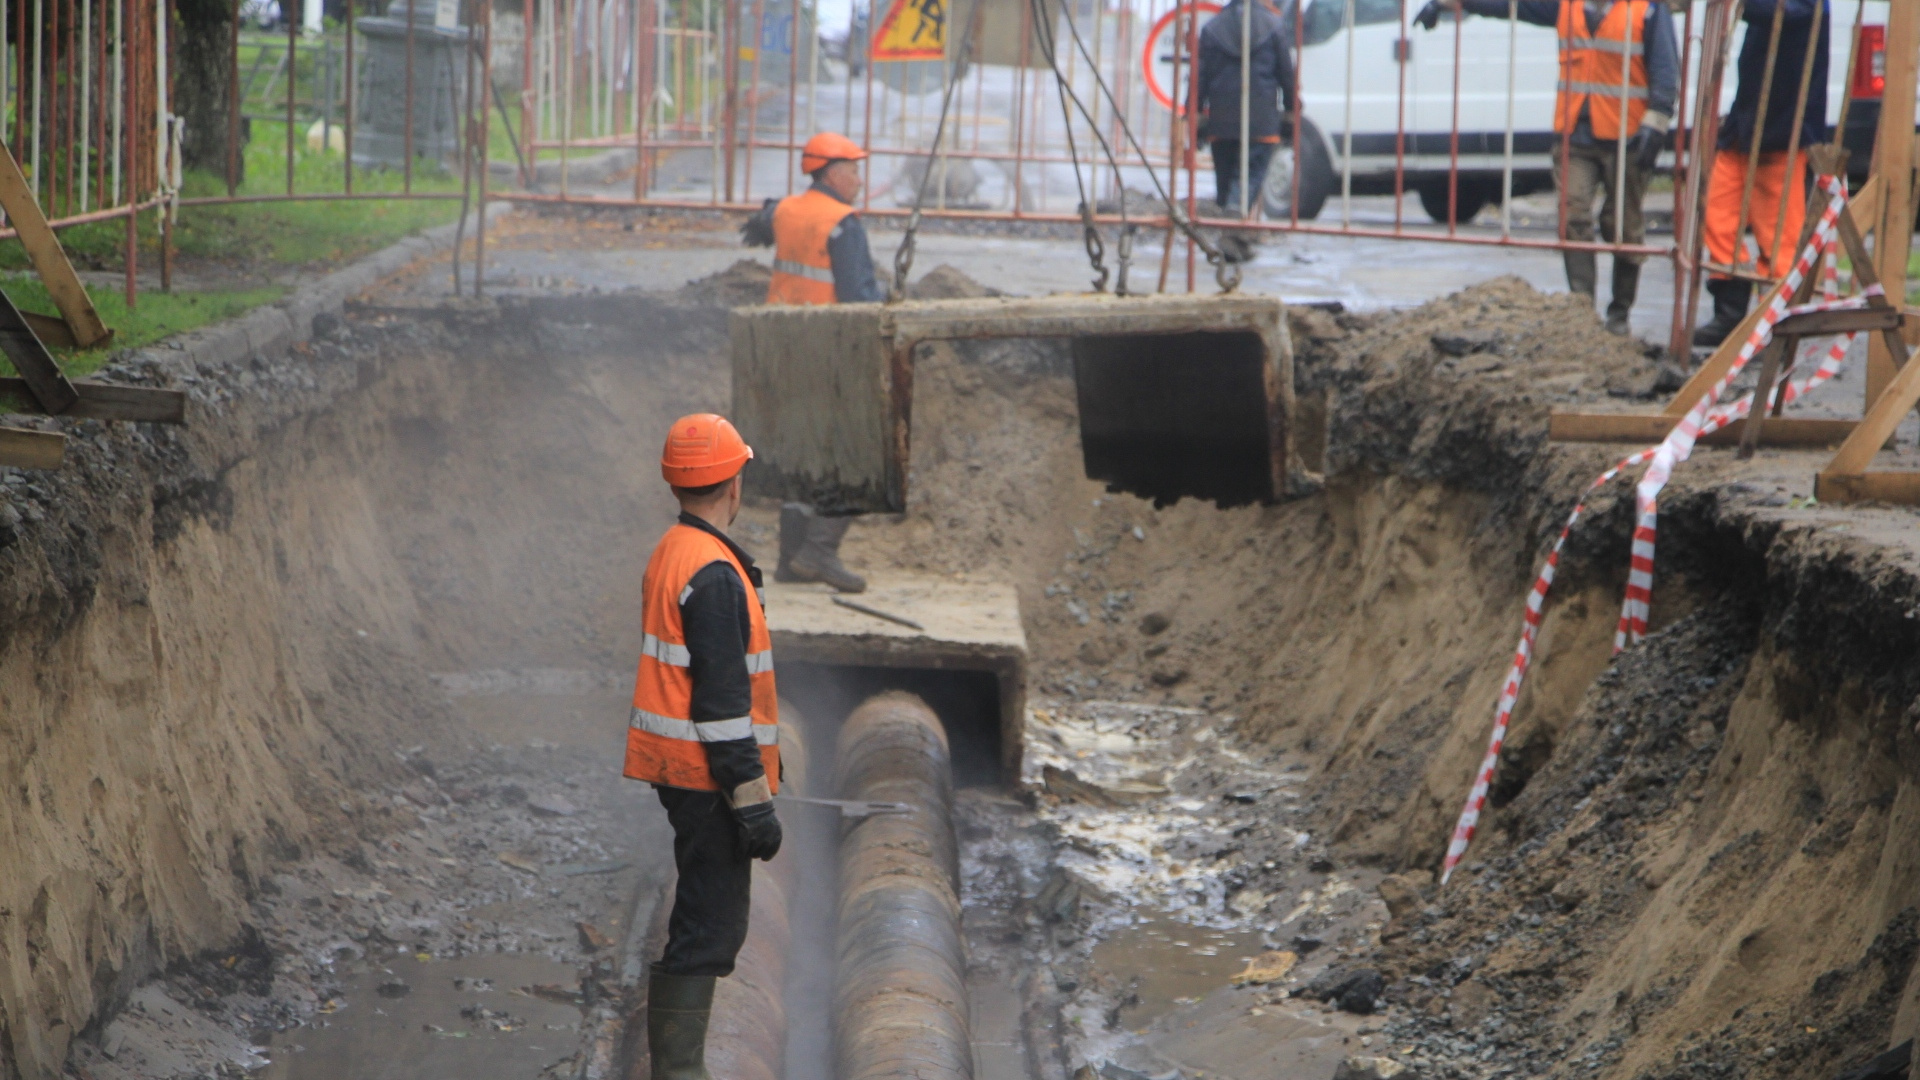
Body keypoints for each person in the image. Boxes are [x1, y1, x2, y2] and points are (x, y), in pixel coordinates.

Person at [629, 413, 784, 1080]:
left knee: (704, 920)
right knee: (708, 928)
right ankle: (679, 1072)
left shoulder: (676, 549)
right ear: (734, 483)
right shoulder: (716, 575)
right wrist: (751, 803)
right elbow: (722, 708)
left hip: (683, 771)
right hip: (704, 776)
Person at [1421, 0, 1678, 335]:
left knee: (1624, 227)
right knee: (1573, 217)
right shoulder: (1567, 5)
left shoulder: (1648, 9)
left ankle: (1619, 315)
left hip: (1626, 137)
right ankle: (1583, 313)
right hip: (1576, 135)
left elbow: (1666, 70)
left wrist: (1655, 125)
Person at [740, 131, 878, 593]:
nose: (859, 179)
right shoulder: (842, 222)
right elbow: (859, 297)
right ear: (834, 173)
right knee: (859, 453)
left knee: (801, 455)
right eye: (855, 170)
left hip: (779, 348)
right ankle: (818, 551)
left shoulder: (785, 210)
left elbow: (759, 225)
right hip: (826, 349)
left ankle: (790, 562)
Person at [1692, 0, 1829, 347]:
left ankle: (1777, 322)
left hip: (1784, 130)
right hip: (1746, 126)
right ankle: (1729, 312)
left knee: (1780, 234)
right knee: (1718, 215)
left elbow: (1786, 12)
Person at [1196, 0, 1298, 218]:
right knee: (1250, 175)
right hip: (1261, 121)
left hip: (1221, 121)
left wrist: (1195, 115)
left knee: (1225, 181)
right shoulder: (1274, 26)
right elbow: (1287, 76)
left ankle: (1232, 232)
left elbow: (1199, 78)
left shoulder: (1211, 28)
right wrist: (1291, 112)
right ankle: (1234, 220)